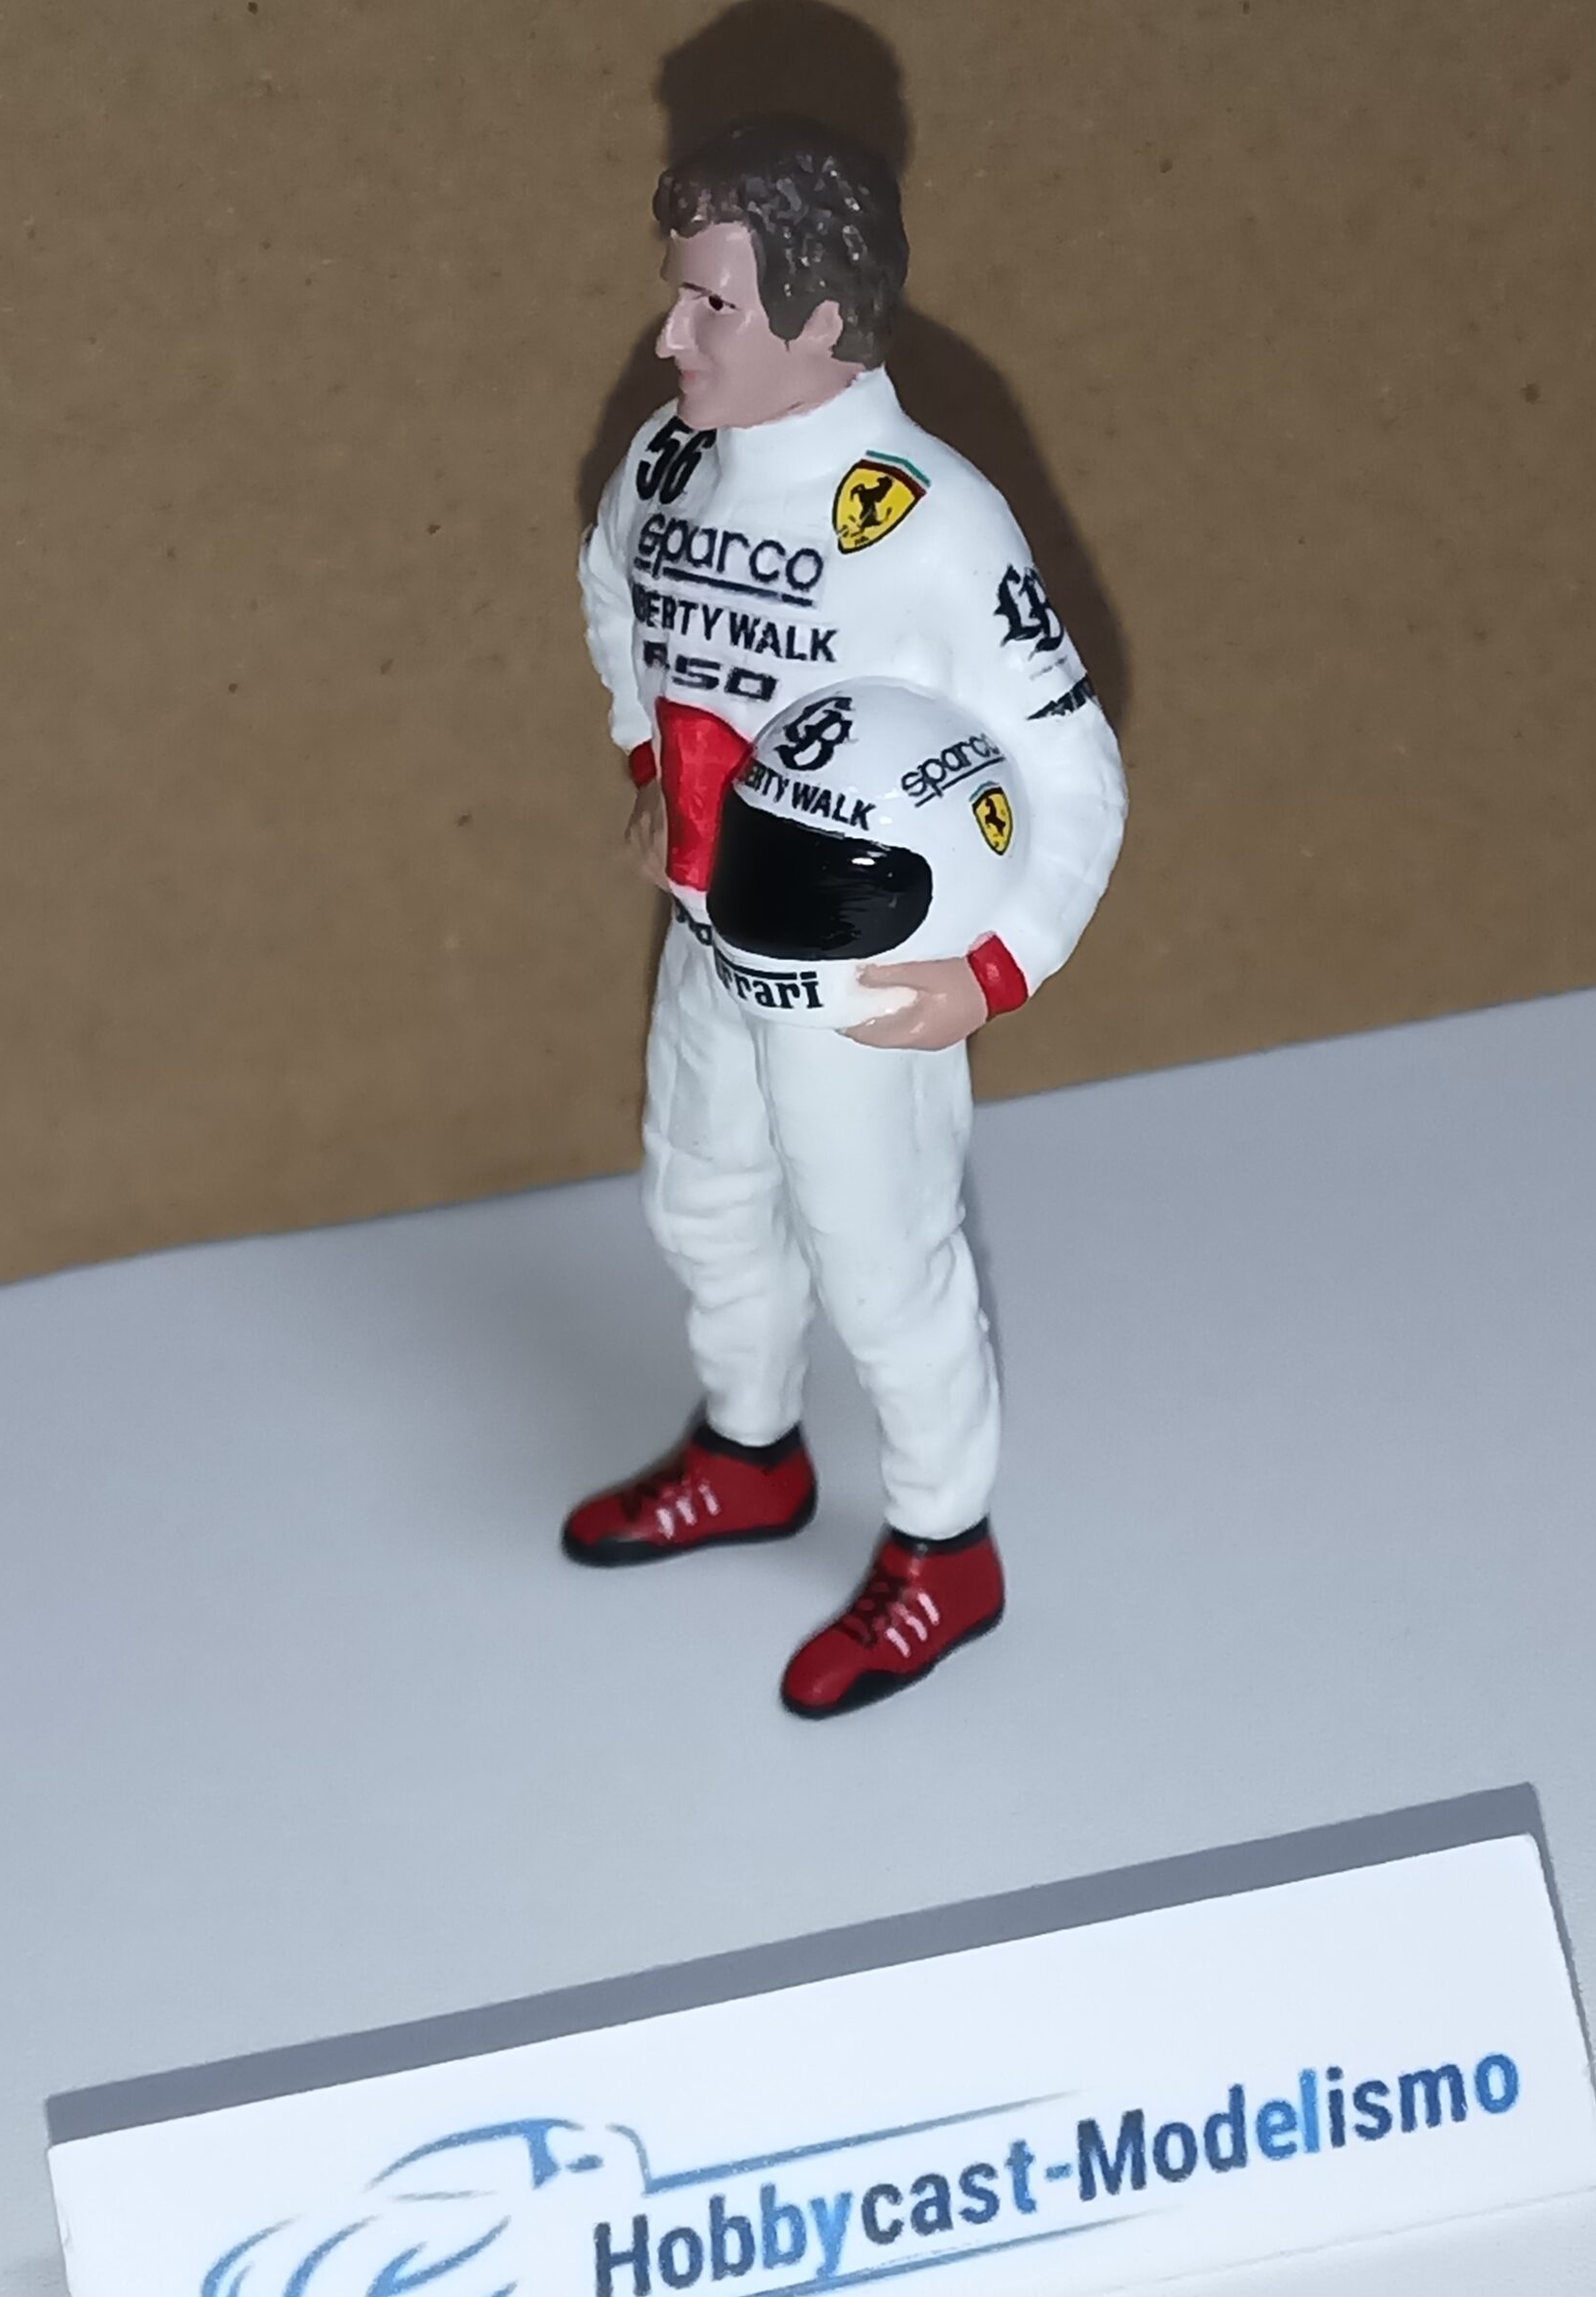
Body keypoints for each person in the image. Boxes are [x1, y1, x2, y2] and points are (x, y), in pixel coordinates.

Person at [566, 116, 1126, 1718]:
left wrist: (996, 967)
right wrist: (646, 754)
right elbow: (611, 587)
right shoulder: (666, 462)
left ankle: (945, 1548)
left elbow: (1073, 767)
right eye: (676, 294)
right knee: (700, 1206)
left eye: (711, 305)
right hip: (706, 939)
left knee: (884, 1268)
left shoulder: (933, 522)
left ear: (820, 317)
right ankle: (750, 1451)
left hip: (859, 986)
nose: (671, 336)